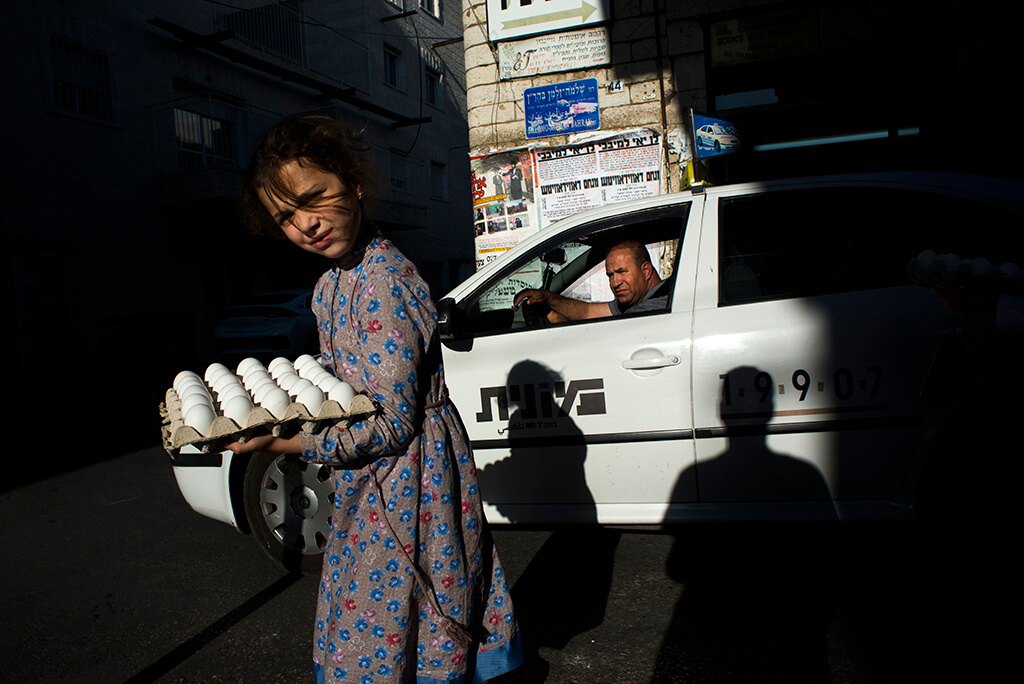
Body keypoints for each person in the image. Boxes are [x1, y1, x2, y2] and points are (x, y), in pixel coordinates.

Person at [227, 116, 522, 684]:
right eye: (285, 217)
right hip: (377, 480)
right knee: (385, 607)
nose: (305, 224)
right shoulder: (332, 282)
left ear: (354, 181)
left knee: (400, 604)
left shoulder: (385, 279)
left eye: (314, 197)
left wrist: (280, 437)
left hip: (410, 479)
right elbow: (343, 385)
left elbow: (387, 426)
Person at [513, 240, 671, 322]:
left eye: (622, 272)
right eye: (610, 275)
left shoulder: (654, 308)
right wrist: (548, 298)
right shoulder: (635, 301)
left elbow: (593, 344)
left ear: (646, 270)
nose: (615, 283)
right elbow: (587, 311)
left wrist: (553, 317)